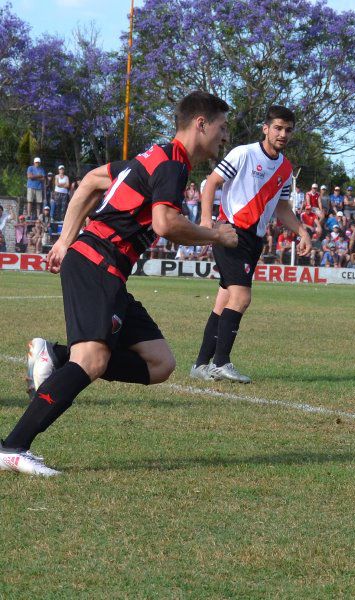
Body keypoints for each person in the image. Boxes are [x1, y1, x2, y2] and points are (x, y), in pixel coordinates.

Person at [1, 91, 238, 476]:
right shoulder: (173, 164)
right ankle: (12, 446)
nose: (225, 136)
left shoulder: (152, 157)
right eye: (222, 127)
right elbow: (164, 223)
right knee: (92, 360)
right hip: (97, 263)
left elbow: (93, 181)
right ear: (201, 124)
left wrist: (65, 240)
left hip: (104, 267)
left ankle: (56, 357)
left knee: (161, 363)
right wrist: (215, 235)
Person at [190, 105, 312, 384]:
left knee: (224, 300)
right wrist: (207, 221)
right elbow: (211, 183)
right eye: (278, 128)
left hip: (253, 239)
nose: (283, 134)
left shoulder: (285, 167)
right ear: (265, 128)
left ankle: (200, 364)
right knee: (241, 297)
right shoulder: (243, 154)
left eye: (288, 129)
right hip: (231, 233)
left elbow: (281, 207)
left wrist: (302, 232)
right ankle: (221, 362)